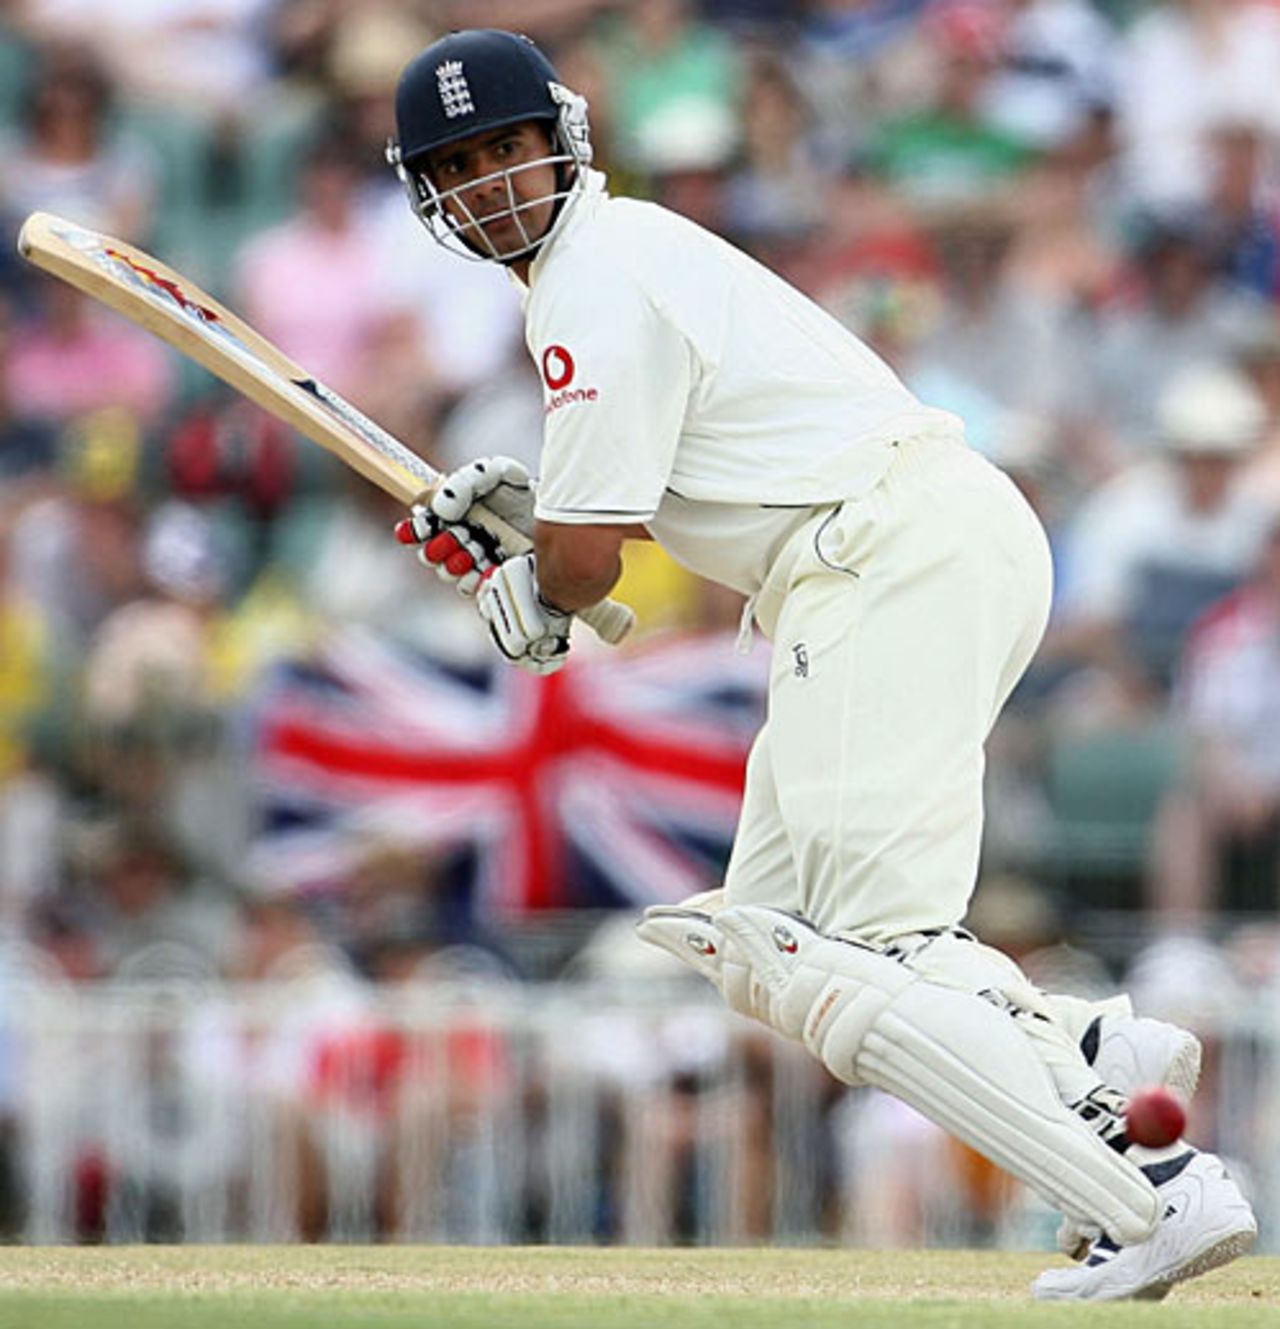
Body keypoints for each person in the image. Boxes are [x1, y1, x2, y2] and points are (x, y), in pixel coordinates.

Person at [386, 28, 1256, 1297]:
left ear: (563, 140)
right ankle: (1088, 1049)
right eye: (458, 166)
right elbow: (624, 504)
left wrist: (535, 588)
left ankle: (1150, 1195)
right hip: (904, 546)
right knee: (773, 942)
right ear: (427, 195)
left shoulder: (590, 275)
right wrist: (535, 537)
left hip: (880, 554)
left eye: (507, 149)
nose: (491, 184)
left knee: (870, 946)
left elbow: (584, 564)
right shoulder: (613, 263)